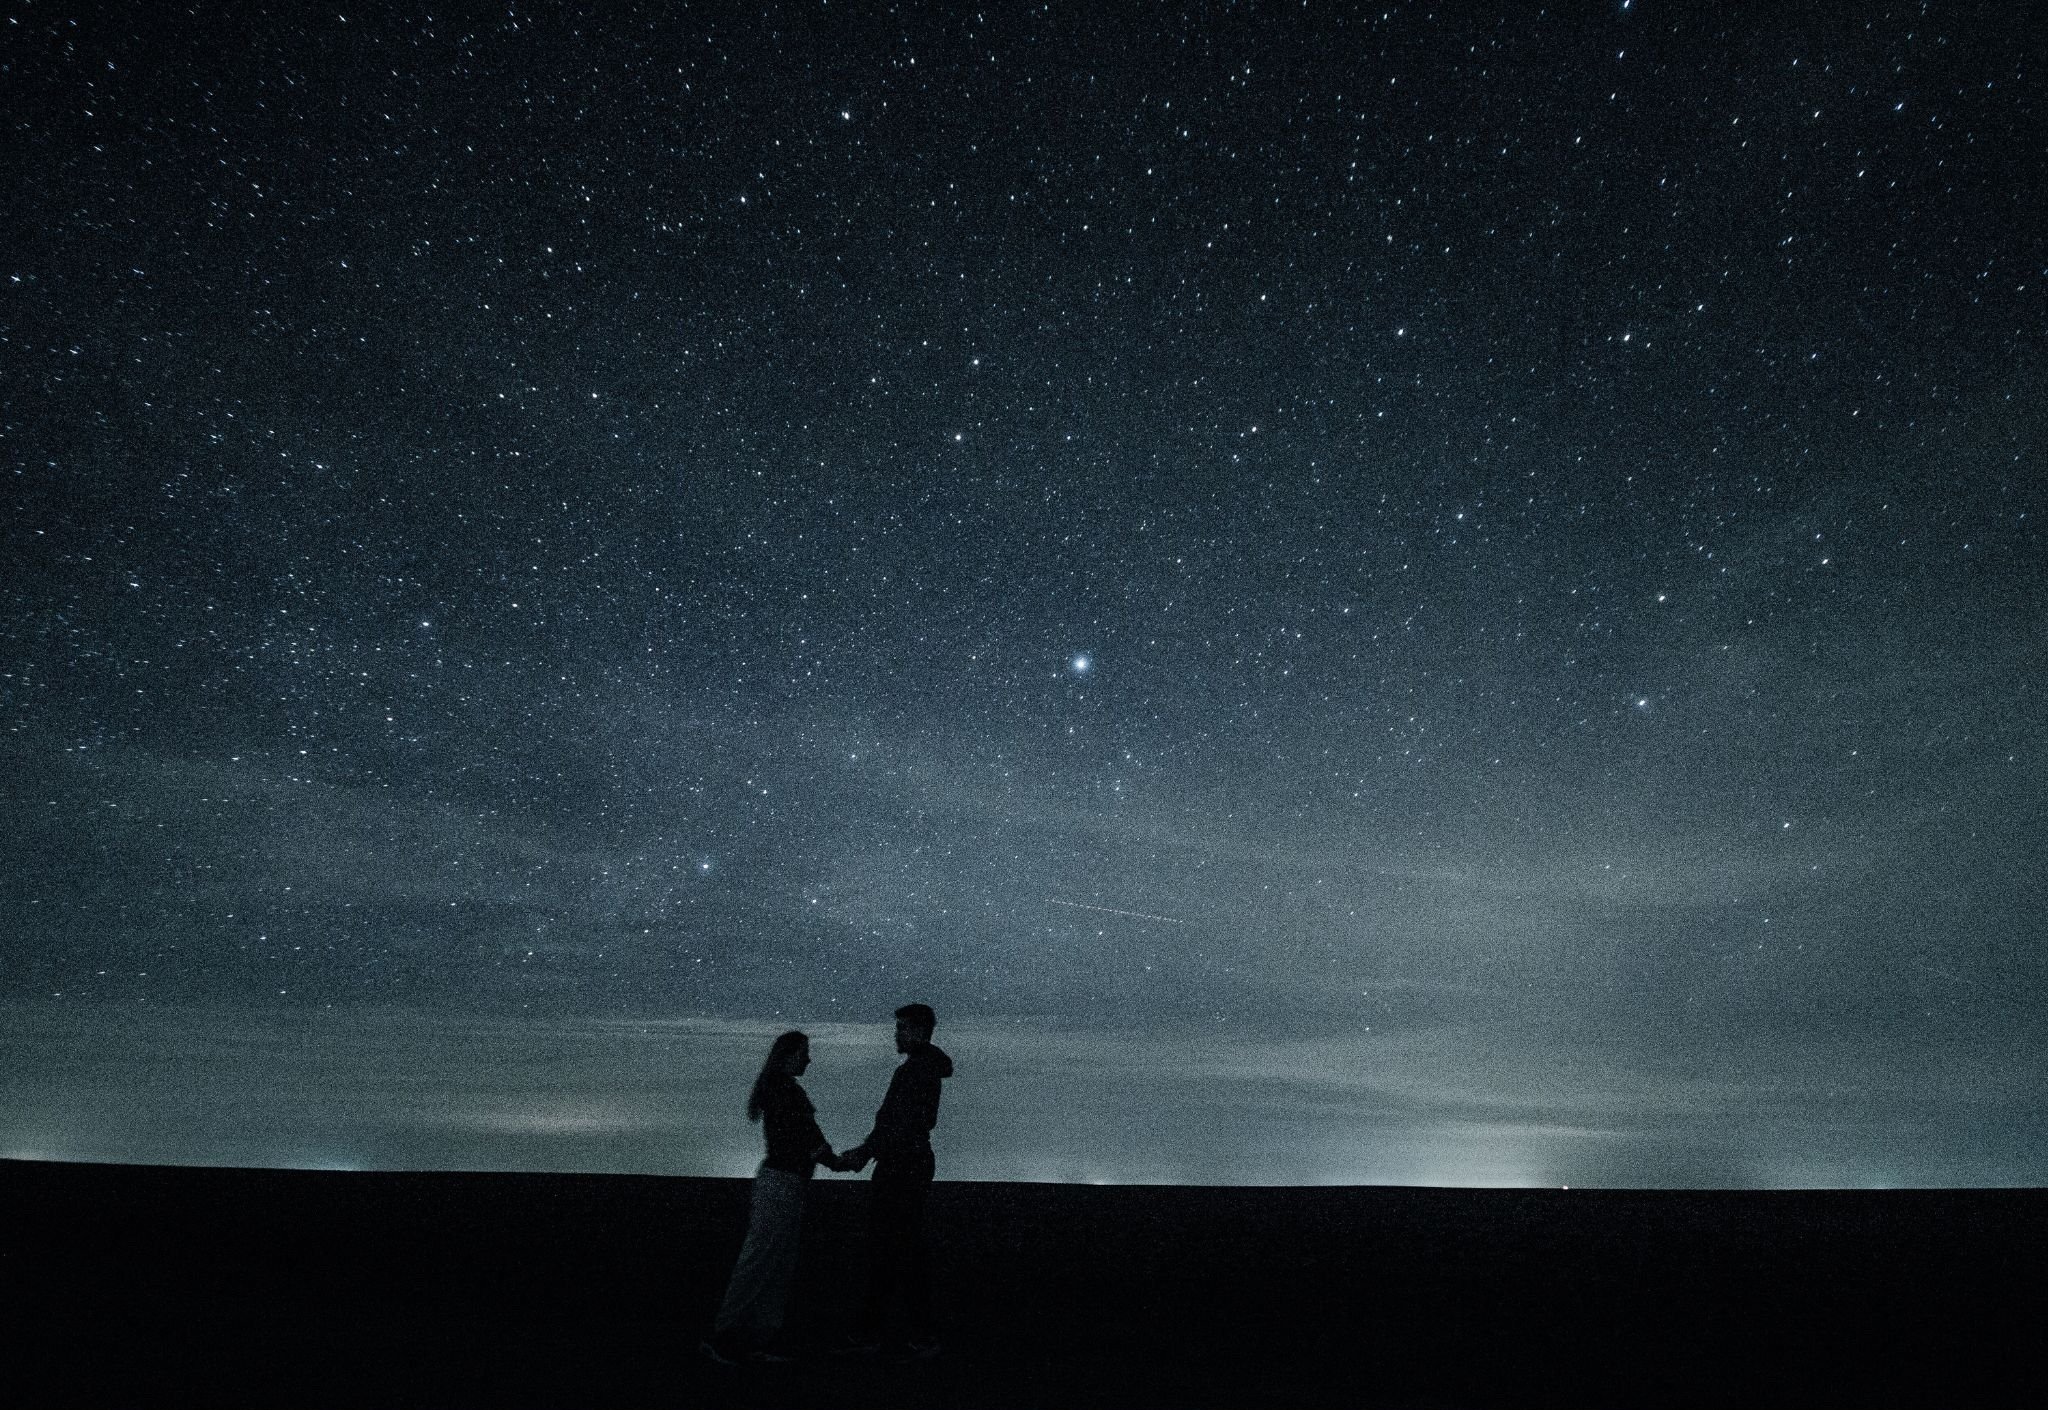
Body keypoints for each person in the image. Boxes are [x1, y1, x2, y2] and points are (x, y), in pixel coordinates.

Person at [702, 1030, 850, 1365]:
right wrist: (839, 1162)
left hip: (785, 1184)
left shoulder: (778, 1089)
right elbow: (809, 1138)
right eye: (804, 1053)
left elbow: (805, 1138)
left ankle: (754, 1338)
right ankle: (725, 1336)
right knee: (761, 1261)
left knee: (774, 1262)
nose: (808, 1059)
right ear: (789, 1054)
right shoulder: (786, 1091)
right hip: (782, 1185)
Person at [839, 1002, 953, 1359]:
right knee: (900, 1247)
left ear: (920, 1031)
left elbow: (900, 1123)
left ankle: (887, 1333)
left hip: (903, 1166)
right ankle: (897, 1332)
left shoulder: (914, 1072)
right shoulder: (922, 1069)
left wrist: (866, 1151)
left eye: (902, 1027)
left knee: (894, 1247)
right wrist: (870, 1149)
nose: (896, 1034)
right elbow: (899, 1122)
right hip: (908, 1163)